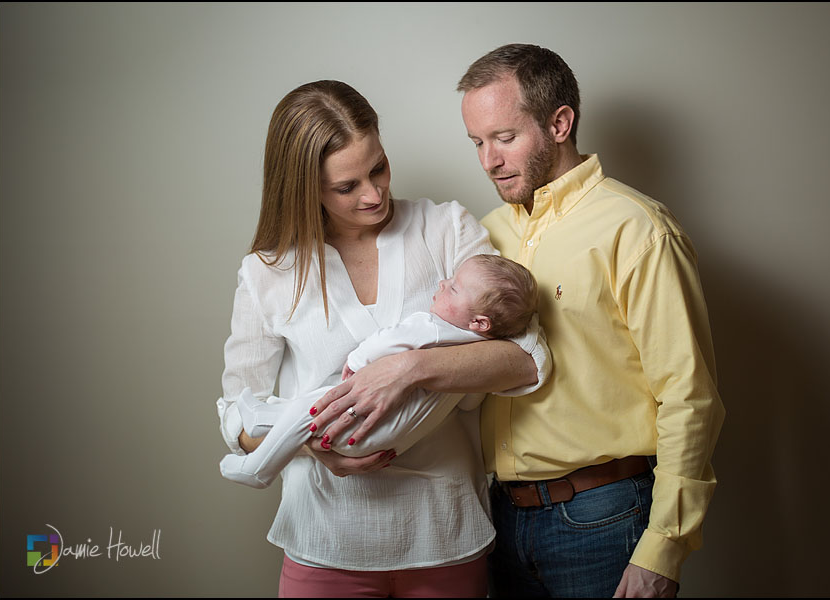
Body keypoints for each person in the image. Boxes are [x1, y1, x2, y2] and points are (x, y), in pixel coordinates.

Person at [216, 80, 551, 598]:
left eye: (378, 167)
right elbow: (239, 416)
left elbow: (525, 357)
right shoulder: (268, 272)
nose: (373, 194)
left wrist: (410, 369)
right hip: (326, 533)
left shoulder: (444, 229)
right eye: (346, 187)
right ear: (305, 188)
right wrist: (311, 448)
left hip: (443, 528)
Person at [455, 44, 726, 598]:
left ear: (560, 123)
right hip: (500, 520)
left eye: (505, 138)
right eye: (477, 143)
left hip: (605, 519)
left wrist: (664, 547)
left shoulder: (638, 229)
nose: (489, 161)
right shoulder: (484, 236)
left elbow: (689, 395)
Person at [219, 254, 538, 489]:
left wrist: (357, 362)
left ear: (479, 322)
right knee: (307, 409)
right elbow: (470, 402)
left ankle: (260, 467)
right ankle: (263, 416)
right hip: (386, 440)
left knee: (313, 406)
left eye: (453, 288)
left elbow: (387, 342)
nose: (442, 283)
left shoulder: (431, 328)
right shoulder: (472, 352)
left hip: (360, 422)